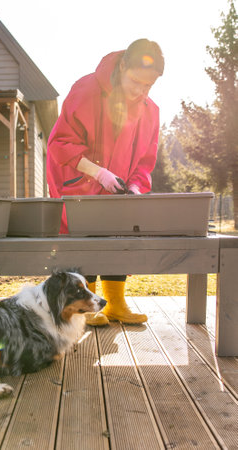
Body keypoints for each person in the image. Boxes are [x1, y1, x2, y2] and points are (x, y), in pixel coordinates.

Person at [47, 38, 164, 326]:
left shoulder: (151, 111)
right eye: (135, 81)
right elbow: (60, 144)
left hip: (117, 191)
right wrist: (98, 173)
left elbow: (145, 162)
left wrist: (135, 187)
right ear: (123, 65)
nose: (140, 91)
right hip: (79, 181)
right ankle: (88, 304)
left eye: (148, 86)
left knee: (119, 236)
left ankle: (116, 304)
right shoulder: (85, 90)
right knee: (84, 239)